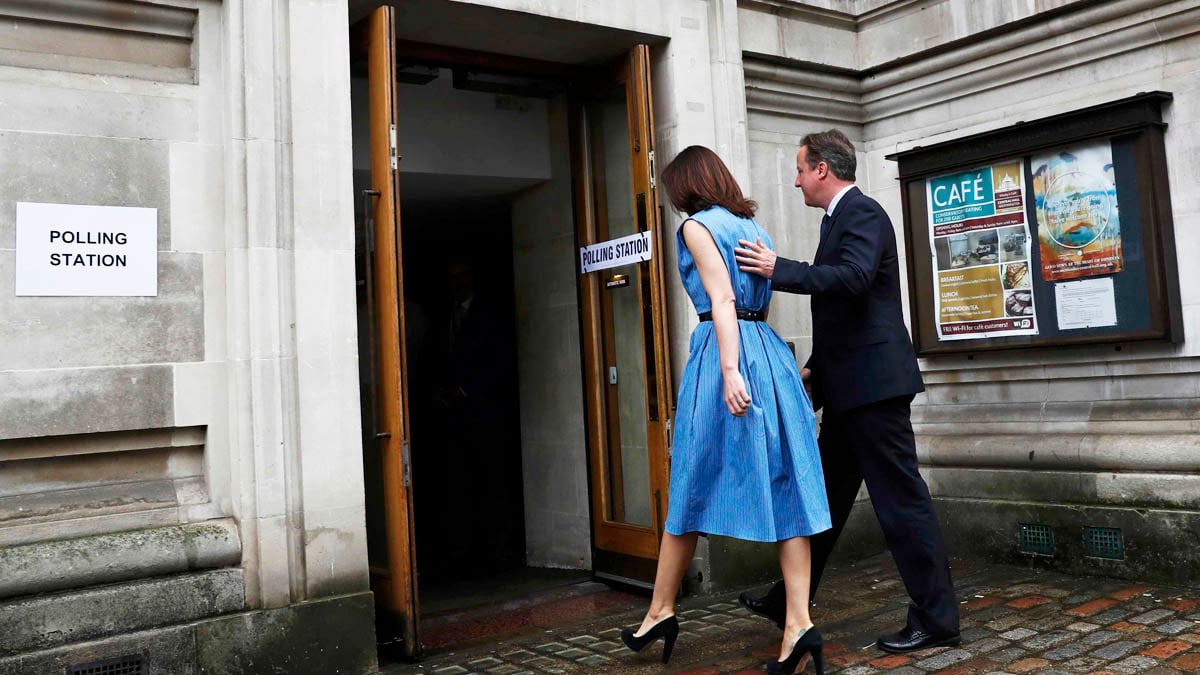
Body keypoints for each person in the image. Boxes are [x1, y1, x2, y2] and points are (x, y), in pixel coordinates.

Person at [733, 129, 960, 654]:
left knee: (902, 505)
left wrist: (777, 269)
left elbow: (854, 279)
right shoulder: (838, 219)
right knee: (822, 504)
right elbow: (846, 314)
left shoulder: (863, 212)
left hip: (874, 392)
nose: (794, 181)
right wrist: (814, 370)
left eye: (799, 169)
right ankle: (788, 601)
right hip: (848, 390)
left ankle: (938, 619)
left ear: (822, 170)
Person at [619, 146, 831, 675]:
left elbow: (720, 301)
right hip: (768, 348)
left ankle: (661, 610)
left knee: (690, 478)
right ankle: (798, 624)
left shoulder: (696, 226)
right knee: (788, 485)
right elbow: (757, 297)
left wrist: (731, 370)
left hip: (725, 353)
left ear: (686, 185)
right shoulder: (752, 226)